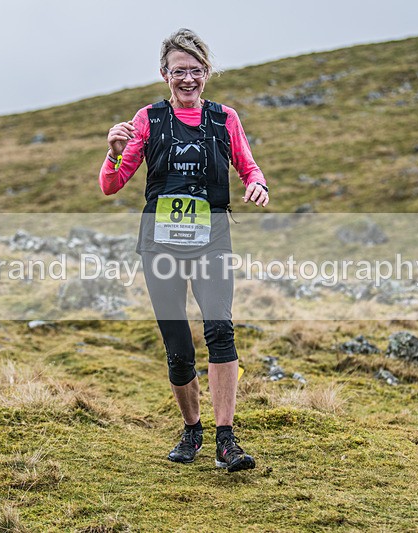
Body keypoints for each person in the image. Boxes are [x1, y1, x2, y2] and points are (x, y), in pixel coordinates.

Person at [99, 28, 270, 473]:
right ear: (164, 74)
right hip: (160, 244)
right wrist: (114, 153)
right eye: (179, 72)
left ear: (207, 73)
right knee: (177, 344)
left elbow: (248, 165)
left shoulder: (224, 119)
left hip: (211, 238)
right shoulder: (147, 120)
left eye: (196, 71)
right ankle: (192, 429)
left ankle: (226, 439)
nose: (188, 79)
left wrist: (256, 183)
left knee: (220, 330)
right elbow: (111, 185)